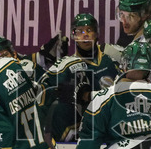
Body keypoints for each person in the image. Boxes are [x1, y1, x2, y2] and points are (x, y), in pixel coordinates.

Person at [39, 13, 123, 141]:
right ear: (74, 36)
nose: (85, 35)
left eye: (89, 30)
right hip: (89, 126)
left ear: (96, 33)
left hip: (118, 121)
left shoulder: (113, 53)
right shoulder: (67, 64)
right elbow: (42, 89)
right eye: (80, 31)